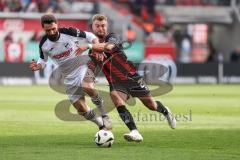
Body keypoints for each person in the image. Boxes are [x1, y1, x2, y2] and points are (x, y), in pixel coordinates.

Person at [76, 14, 176, 142]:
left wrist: (89, 46)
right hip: (115, 83)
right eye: (97, 26)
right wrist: (90, 79)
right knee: (116, 99)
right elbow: (92, 68)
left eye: (103, 26)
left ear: (107, 27)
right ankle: (134, 132)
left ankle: (165, 111)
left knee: (151, 105)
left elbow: (109, 47)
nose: (101, 29)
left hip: (132, 77)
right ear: (92, 28)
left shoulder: (112, 37)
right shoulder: (92, 53)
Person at [29, 14, 112, 131]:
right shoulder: (43, 44)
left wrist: (96, 47)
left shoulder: (69, 32)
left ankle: (104, 114)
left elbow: (91, 36)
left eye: (54, 29)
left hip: (82, 66)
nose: (52, 32)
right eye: (48, 30)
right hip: (68, 76)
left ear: (57, 25)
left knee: (87, 87)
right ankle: (102, 126)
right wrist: (38, 66)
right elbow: (43, 60)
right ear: (43, 28)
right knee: (82, 109)